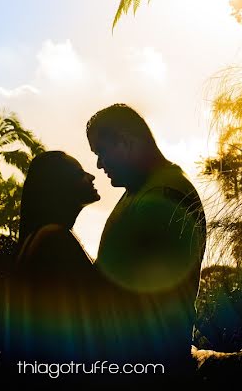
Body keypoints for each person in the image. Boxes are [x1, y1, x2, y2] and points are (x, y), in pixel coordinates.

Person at [86, 103, 206, 374]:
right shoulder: (139, 190)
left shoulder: (163, 195)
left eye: (101, 152)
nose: (98, 164)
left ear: (126, 142)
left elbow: (132, 291)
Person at [7, 150, 105, 363]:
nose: (92, 176)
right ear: (61, 185)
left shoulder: (44, 236)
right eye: (80, 173)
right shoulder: (54, 238)